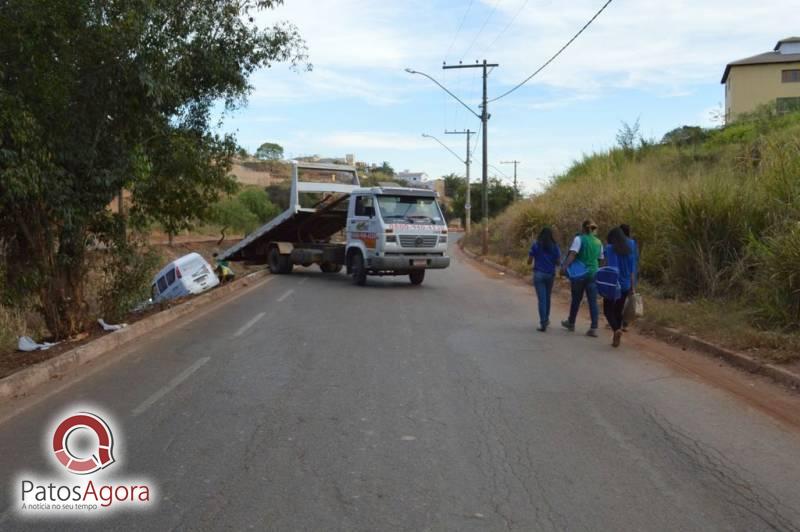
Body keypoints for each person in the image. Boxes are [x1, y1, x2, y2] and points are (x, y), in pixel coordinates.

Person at [561, 220, 604, 337]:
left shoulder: (579, 239)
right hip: (593, 273)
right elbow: (600, 259)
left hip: (579, 274)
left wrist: (565, 266)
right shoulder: (599, 242)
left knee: (576, 298)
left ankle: (571, 322)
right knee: (592, 301)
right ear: (593, 229)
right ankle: (594, 327)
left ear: (583, 228)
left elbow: (572, 254)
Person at [603, 227, 636, 347]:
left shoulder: (610, 249)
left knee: (607, 310)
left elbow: (611, 268)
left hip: (613, 285)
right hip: (626, 285)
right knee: (618, 310)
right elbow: (632, 272)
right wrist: (633, 288)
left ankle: (616, 329)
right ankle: (617, 334)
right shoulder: (629, 251)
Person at [527, 227, 561, 332]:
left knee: (542, 299)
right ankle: (546, 319)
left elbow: (529, 261)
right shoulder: (555, 246)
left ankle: (543, 323)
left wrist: (532, 259)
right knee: (547, 297)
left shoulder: (536, 245)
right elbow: (558, 262)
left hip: (538, 274)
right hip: (550, 275)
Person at [619, 223, 639, 331]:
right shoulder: (633, 243)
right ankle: (625, 323)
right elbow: (636, 258)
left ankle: (618, 322)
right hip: (632, 274)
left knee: (618, 300)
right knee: (628, 300)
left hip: (621, 274)